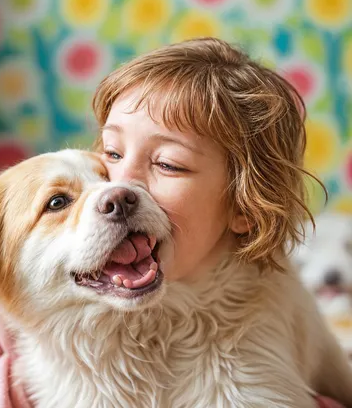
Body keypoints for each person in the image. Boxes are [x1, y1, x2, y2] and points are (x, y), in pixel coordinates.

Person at [92, 37, 343, 407]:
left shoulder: (256, 352)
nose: (117, 185)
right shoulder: (73, 279)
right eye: (112, 152)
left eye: (168, 164)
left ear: (244, 209)